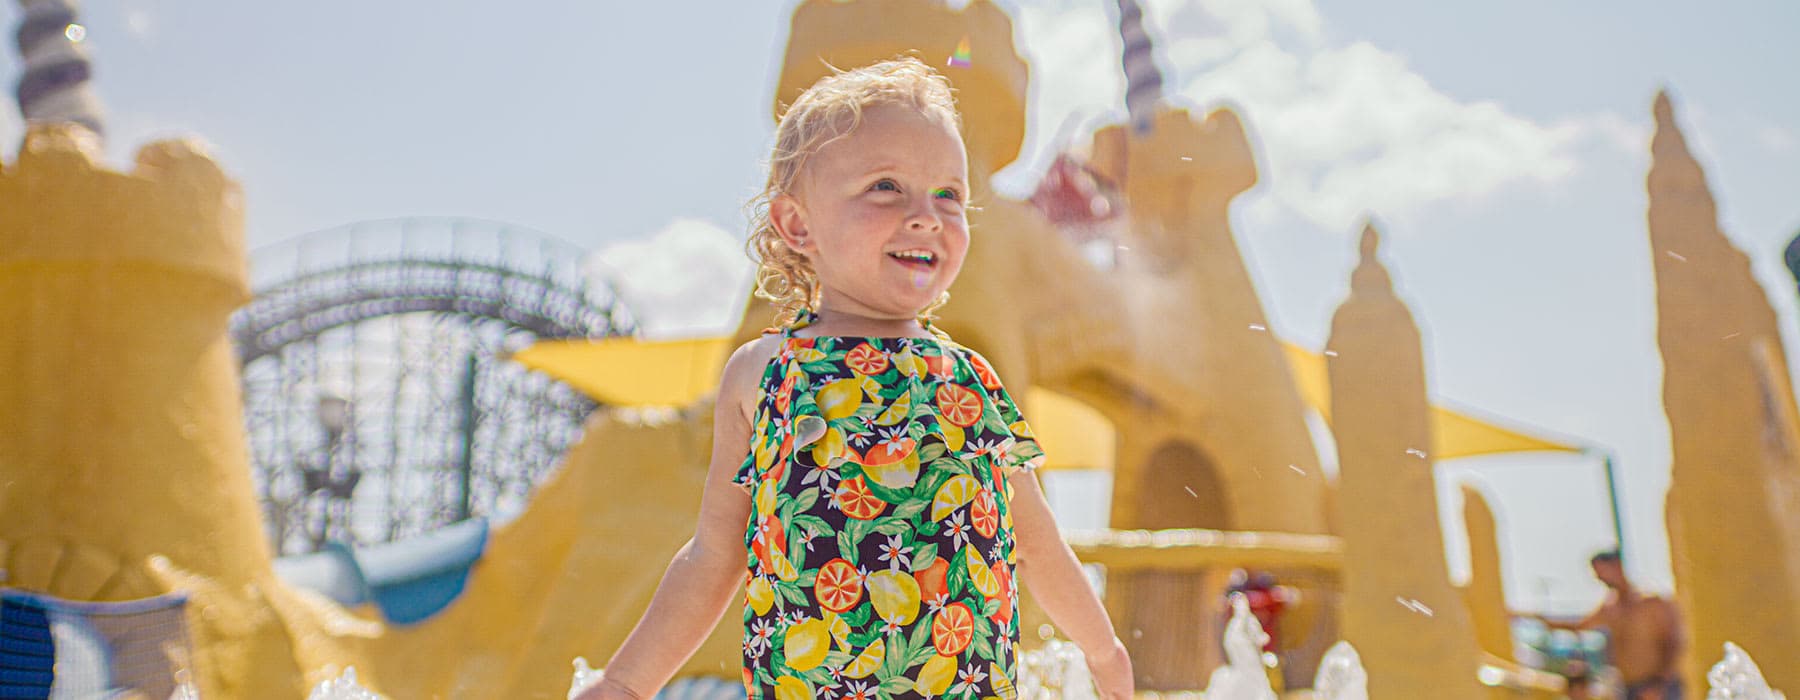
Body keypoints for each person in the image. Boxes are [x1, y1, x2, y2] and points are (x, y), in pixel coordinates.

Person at [575, 57, 1134, 700]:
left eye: (948, 194)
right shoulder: (762, 376)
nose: (926, 215)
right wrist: (626, 682)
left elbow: (1035, 539)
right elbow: (713, 555)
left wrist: (1103, 648)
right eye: (885, 187)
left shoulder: (968, 378)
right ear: (798, 225)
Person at [1542, 550, 1684, 700]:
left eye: (1601, 572)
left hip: (1659, 687)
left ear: (1617, 566)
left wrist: (1658, 685)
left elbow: (1674, 643)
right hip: (1629, 689)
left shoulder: (1651, 602)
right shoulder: (1609, 607)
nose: (1599, 578)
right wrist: (1537, 618)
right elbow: (1579, 626)